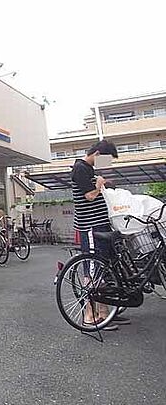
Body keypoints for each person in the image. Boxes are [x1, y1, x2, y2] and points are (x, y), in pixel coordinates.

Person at [71, 139, 129, 329]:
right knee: (93, 271)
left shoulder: (89, 169)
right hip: (91, 227)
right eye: (106, 160)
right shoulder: (80, 168)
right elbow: (89, 196)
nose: (107, 164)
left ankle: (105, 314)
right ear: (97, 154)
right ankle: (89, 316)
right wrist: (98, 185)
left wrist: (104, 184)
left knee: (104, 269)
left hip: (100, 226)